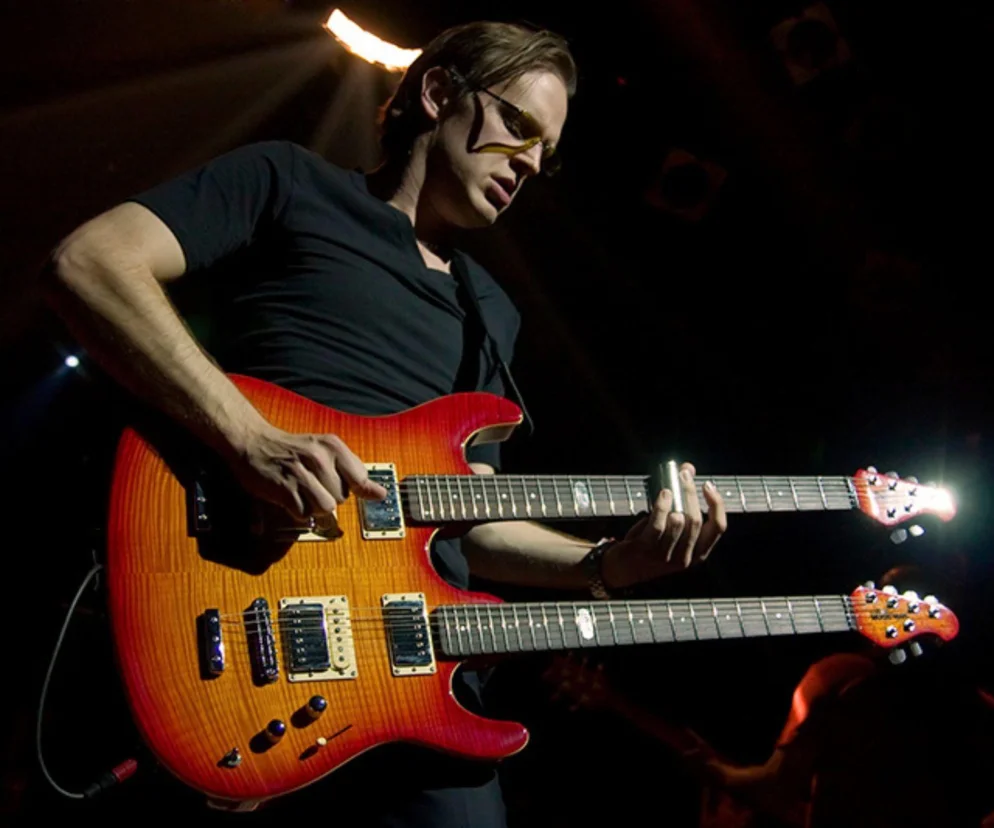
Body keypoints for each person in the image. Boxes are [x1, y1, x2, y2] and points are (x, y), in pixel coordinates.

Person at [43, 20, 728, 827]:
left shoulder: (490, 312)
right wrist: (247, 437)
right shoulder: (287, 181)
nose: (529, 164)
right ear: (438, 93)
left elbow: (470, 519)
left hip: (412, 667)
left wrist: (608, 563)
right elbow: (91, 262)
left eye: (546, 153)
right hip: (249, 614)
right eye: (518, 126)